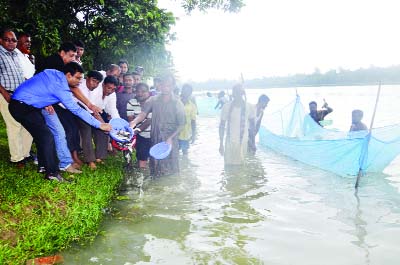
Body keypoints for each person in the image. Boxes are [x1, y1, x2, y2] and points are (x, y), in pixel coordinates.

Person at [9, 62, 111, 181]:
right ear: (68, 75)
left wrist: (44, 99)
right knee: (47, 137)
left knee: (43, 135)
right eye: (77, 78)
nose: (79, 81)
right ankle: (52, 173)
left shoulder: (54, 72)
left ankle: (43, 166)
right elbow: (76, 109)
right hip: (21, 107)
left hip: (30, 105)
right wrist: (99, 125)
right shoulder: (61, 88)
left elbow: (42, 79)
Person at [129, 74, 185, 176]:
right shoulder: (153, 100)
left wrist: (171, 138)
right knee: (155, 167)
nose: (165, 88)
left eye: (168, 85)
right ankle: (156, 187)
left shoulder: (177, 103)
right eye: (163, 85)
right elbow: (143, 114)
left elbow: (181, 124)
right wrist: (134, 122)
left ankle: (171, 189)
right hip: (155, 138)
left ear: (173, 86)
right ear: (159, 85)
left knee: (172, 168)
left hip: (171, 140)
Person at [0, 28, 33, 167]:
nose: (11, 42)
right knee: (14, 125)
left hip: (20, 95)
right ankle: (17, 158)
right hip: (5, 94)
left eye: (13, 40)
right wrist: (5, 93)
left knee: (27, 124)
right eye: (7, 39)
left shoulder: (15, 55)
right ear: (1, 40)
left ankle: (25, 154)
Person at [77, 73, 119, 169]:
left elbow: (113, 109)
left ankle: (100, 157)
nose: (111, 91)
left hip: (97, 113)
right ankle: (90, 160)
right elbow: (92, 109)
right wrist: (102, 124)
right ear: (103, 85)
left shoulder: (112, 94)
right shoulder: (95, 90)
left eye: (113, 89)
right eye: (109, 88)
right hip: (84, 110)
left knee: (103, 132)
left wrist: (117, 123)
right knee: (86, 131)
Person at [219, 84, 256, 165]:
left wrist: (253, 143)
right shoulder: (226, 107)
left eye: (239, 92)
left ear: (242, 94)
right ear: (233, 94)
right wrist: (221, 144)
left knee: (241, 168)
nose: (237, 95)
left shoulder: (249, 107)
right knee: (228, 167)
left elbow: (253, 127)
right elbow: (222, 126)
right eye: (235, 93)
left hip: (243, 143)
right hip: (229, 143)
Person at [126, 83, 152, 168]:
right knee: (142, 157)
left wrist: (137, 130)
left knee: (154, 158)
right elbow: (131, 119)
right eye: (138, 91)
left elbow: (149, 120)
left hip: (154, 134)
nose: (140, 93)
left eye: (143, 91)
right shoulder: (131, 102)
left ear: (148, 92)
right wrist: (133, 130)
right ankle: (142, 177)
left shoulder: (153, 102)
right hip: (140, 136)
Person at [178, 84, 197, 155]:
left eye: (188, 91)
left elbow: (193, 121)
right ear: (182, 91)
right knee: (174, 152)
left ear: (190, 93)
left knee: (185, 153)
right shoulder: (175, 102)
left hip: (185, 133)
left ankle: (185, 165)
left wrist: (194, 134)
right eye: (184, 90)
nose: (186, 92)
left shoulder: (192, 106)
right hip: (174, 133)